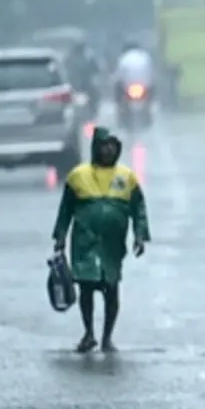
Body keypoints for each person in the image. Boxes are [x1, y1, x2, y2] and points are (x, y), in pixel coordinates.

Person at [51, 127, 150, 353]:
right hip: (85, 243)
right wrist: (60, 236)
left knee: (111, 287)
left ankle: (107, 336)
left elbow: (139, 208)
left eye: (112, 145)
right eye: (104, 145)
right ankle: (89, 333)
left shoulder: (127, 177)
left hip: (112, 246)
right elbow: (65, 210)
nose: (108, 150)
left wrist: (140, 234)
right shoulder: (78, 176)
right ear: (96, 147)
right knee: (86, 288)